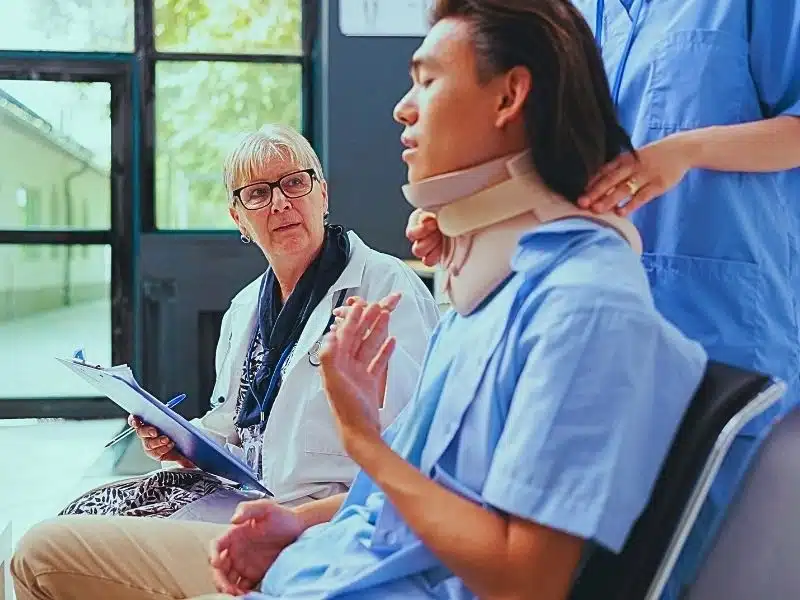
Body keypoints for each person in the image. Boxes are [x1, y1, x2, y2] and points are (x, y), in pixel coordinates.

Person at [11, 1, 708, 599]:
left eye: (427, 80)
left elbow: (525, 579)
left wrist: (361, 440)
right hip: (328, 551)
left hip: (361, 578)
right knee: (54, 540)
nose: (403, 108)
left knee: (45, 555)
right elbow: (412, 486)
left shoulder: (581, 305)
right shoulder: (494, 295)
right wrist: (296, 522)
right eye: (257, 194)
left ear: (508, 97)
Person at [411, 1, 800, 596]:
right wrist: (471, 221)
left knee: (697, 566)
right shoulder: (578, 12)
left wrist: (686, 150)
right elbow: (556, 156)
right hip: (587, 332)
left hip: (725, 320)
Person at [59, 124, 440, 519]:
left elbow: (415, 444)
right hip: (249, 502)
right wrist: (181, 443)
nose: (279, 204)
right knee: (83, 512)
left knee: (60, 545)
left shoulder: (386, 286)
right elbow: (235, 432)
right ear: (238, 219)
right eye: (258, 193)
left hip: (333, 520)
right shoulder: (244, 309)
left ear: (322, 194)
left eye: (294, 183)